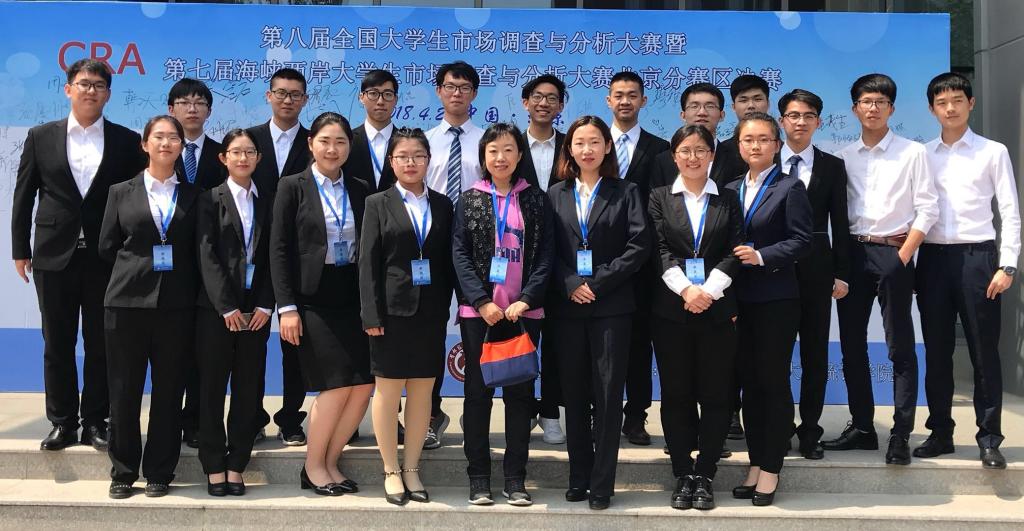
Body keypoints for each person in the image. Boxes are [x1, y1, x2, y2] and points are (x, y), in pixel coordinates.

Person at [11, 58, 146, 452]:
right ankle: (62, 422)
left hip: (107, 258)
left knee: (102, 343)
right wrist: (20, 248)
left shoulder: (126, 140)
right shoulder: (41, 136)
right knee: (57, 342)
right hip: (53, 255)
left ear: (108, 94)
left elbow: (137, 198)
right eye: (84, 83)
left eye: (99, 85)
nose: (91, 90)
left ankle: (95, 422)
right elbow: (24, 194)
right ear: (68, 89)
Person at [823, 74, 938, 466]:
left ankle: (901, 433)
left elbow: (928, 208)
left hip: (893, 252)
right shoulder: (842, 157)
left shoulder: (912, 153)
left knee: (899, 346)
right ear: (854, 108)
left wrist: (903, 255)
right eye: (866, 102)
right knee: (851, 346)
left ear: (892, 108)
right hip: (852, 255)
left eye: (880, 102)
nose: (872, 108)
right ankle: (863, 427)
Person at [915, 73, 1019, 470]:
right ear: (931, 109)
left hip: (979, 259)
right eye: (942, 103)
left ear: (970, 103)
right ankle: (940, 433)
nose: (950, 108)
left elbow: (1009, 211)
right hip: (933, 259)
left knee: (983, 352)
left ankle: (989, 438)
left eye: (957, 100)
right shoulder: (922, 154)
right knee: (937, 351)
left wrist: (1007, 264)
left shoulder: (993, 152)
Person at [547, 115, 652, 510]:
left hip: (612, 307)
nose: (587, 149)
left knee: (608, 395)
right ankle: (579, 476)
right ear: (569, 149)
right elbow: (545, 250)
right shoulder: (555, 194)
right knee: (574, 394)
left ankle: (602, 483)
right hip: (568, 306)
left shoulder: (626, 191)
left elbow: (639, 245)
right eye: (579, 143)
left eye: (595, 142)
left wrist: (599, 282)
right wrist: (571, 282)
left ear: (607, 147)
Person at [269, 112, 373, 495]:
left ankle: (330, 461)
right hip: (311, 301)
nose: (333, 149)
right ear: (311, 144)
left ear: (349, 147)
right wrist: (286, 307)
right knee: (334, 386)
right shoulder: (291, 187)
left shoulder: (360, 188)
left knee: (362, 385)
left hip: (352, 298)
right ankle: (312, 467)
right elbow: (278, 250)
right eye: (325, 141)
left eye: (341, 142)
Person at [452, 123, 555, 506]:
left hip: (522, 314)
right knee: (477, 395)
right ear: (483, 156)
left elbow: (546, 255)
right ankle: (479, 477)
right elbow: (459, 254)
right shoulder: (469, 199)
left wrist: (526, 299)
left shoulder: (536, 199)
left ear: (519, 155)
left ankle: (515, 479)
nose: (501, 157)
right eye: (493, 150)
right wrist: (482, 302)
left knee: (520, 396)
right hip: (479, 315)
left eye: (508, 149)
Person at [98, 115, 200, 499]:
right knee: (124, 390)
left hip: (177, 307)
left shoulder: (195, 196)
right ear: (145, 144)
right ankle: (123, 470)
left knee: (169, 391)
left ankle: (160, 470)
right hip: (126, 304)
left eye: (174, 138)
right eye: (159, 137)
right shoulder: (120, 192)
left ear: (181, 147)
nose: (166, 143)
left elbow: (198, 251)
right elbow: (107, 246)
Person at [649, 125, 743, 511]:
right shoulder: (658, 197)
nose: (693, 157)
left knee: (717, 394)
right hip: (672, 311)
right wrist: (687, 290)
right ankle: (682, 472)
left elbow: (736, 249)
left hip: (717, 310)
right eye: (685, 150)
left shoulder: (729, 198)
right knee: (676, 394)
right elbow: (658, 249)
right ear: (674, 156)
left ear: (712, 156)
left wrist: (709, 291)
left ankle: (705, 473)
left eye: (700, 150)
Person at [359, 127, 455, 505]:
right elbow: (367, 264)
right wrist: (371, 314)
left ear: (428, 160)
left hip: (431, 313)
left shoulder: (444, 204)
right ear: (392, 161)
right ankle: (390, 469)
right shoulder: (377, 203)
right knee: (387, 391)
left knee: (421, 392)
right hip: (390, 312)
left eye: (418, 155)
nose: (410, 162)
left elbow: (448, 261)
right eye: (403, 156)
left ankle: (412, 467)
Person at [725, 112, 812, 506]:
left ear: (777, 145)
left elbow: (802, 241)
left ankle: (772, 467)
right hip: (737, 302)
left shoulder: (790, 187)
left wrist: (762, 256)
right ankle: (756, 462)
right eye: (748, 139)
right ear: (739, 146)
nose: (756, 145)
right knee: (748, 385)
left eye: (763, 139)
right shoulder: (729, 188)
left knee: (772, 383)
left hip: (776, 300)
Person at [194, 129, 275, 497]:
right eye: (236, 152)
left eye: (250, 152)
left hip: (256, 311)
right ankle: (214, 464)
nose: (243, 158)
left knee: (248, 388)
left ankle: (236, 463)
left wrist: (265, 304)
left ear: (258, 158)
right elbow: (206, 255)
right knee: (211, 387)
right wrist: (226, 306)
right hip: (216, 311)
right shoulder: (208, 199)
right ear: (223, 158)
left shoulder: (268, 200)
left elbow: (275, 256)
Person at [777, 89, 852, 460]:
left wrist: (841, 272)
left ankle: (810, 429)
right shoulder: (763, 160)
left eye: (808, 116)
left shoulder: (831, 166)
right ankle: (778, 427)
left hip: (817, 271)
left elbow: (841, 223)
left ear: (819, 122)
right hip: (772, 271)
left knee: (814, 355)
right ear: (782, 121)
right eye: (793, 115)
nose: (800, 122)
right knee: (774, 355)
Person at [422, 60, 485, 449]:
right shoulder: (425, 142)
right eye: (450, 86)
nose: (456, 93)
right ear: (439, 91)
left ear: (474, 93)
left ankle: (476, 413)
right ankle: (430, 413)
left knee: (478, 334)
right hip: (430, 248)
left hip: (477, 251)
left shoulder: (487, 141)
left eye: (464, 87)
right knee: (429, 333)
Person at [247, 67, 311, 446]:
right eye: (281, 93)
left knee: (295, 343)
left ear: (305, 100)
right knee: (251, 343)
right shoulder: (248, 139)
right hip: (251, 254)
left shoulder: (315, 142)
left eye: (295, 94)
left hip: (297, 256)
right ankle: (251, 416)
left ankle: (291, 418)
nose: (288, 100)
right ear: (268, 96)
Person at [606, 70, 669, 447]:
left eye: (632, 95)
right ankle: (601, 412)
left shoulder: (661, 149)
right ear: (608, 100)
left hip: (643, 263)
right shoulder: (592, 142)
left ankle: (636, 417)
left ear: (644, 101)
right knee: (602, 344)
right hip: (597, 262)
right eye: (619, 95)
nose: (625, 101)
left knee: (640, 343)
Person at [167, 77, 227, 449]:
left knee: (205, 353)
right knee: (172, 351)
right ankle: (169, 421)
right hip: (167, 268)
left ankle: (197, 421)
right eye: (184, 102)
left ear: (208, 110)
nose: (192, 108)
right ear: (171, 108)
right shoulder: (158, 150)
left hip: (211, 267)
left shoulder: (223, 156)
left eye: (200, 102)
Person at [519, 74, 567, 445]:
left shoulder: (573, 145)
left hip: (565, 255)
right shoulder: (510, 145)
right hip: (518, 258)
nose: (544, 103)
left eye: (552, 98)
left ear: (561, 105)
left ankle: (551, 411)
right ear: (525, 102)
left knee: (557, 341)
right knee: (520, 339)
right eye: (537, 96)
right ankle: (521, 411)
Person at [651, 83, 730, 189]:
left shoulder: (735, 158)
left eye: (710, 106)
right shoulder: (663, 161)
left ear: (722, 115)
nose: (702, 112)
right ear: (683, 115)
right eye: (694, 106)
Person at [345, 69, 399, 194]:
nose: (380, 101)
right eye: (373, 94)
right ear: (361, 97)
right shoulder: (347, 140)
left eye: (388, 94)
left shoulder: (406, 142)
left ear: (395, 99)